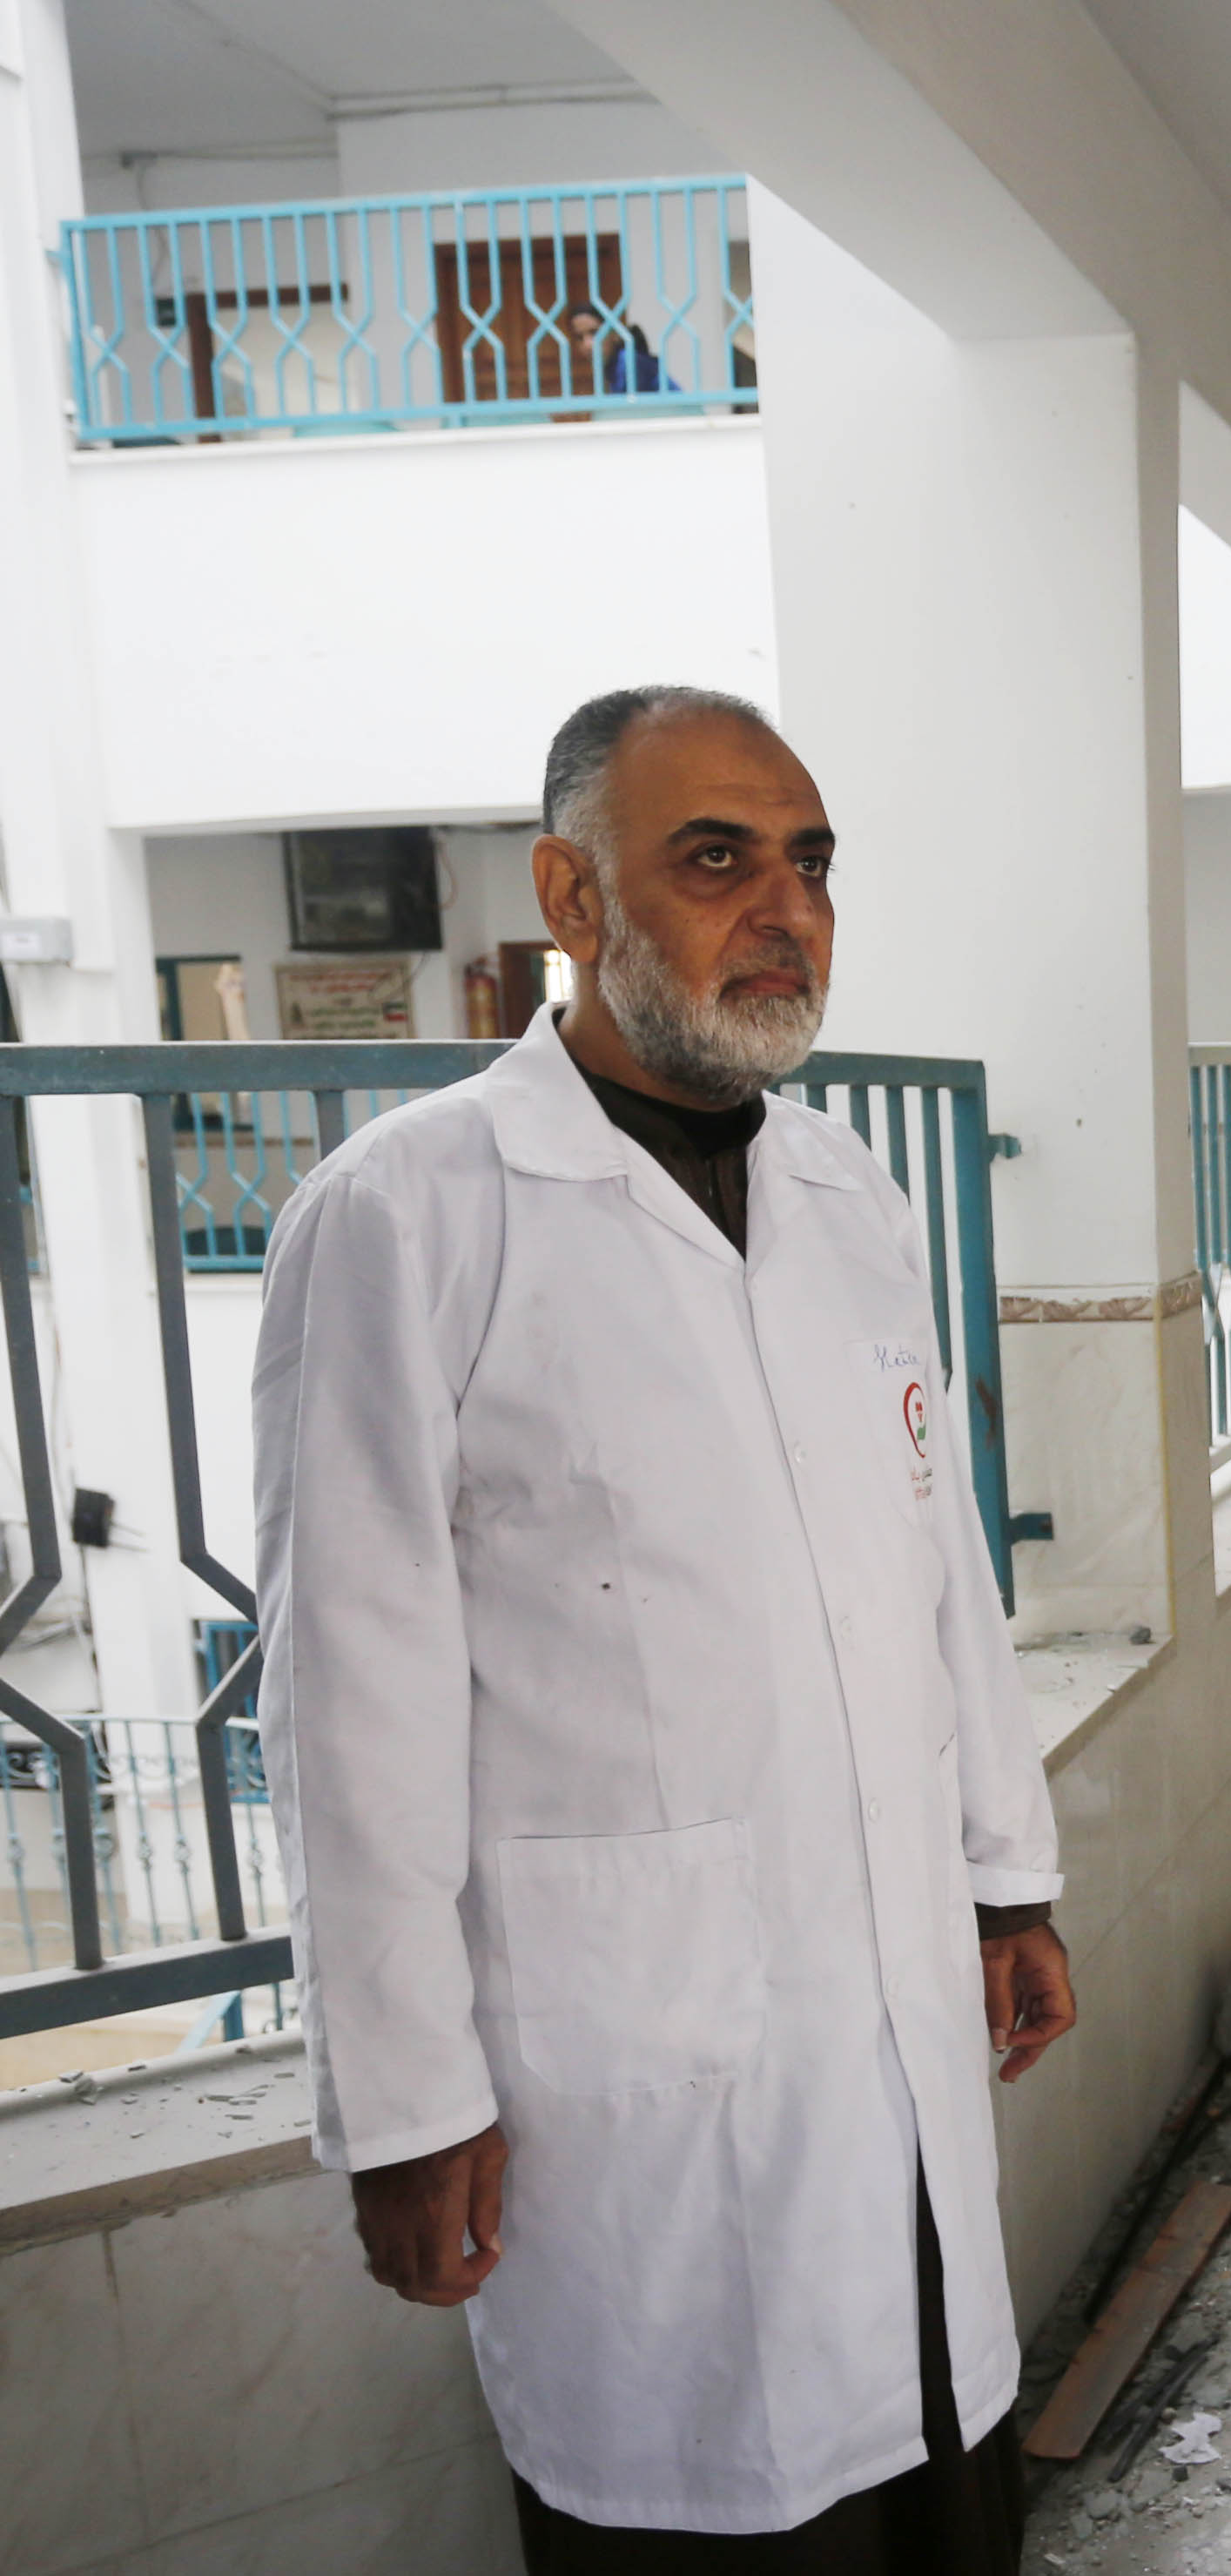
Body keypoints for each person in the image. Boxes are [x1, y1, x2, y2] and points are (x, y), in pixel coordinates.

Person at [253, 684, 1077, 2572]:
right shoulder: (406, 1219)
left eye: (809, 865)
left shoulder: (849, 1193)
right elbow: (350, 1696)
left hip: (892, 2027)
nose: (782, 907)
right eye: (715, 859)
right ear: (572, 894)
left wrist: (1004, 1885)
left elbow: (933, 1560)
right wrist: (402, 2100)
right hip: (633, 2066)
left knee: (945, 2498)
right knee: (701, 2501)